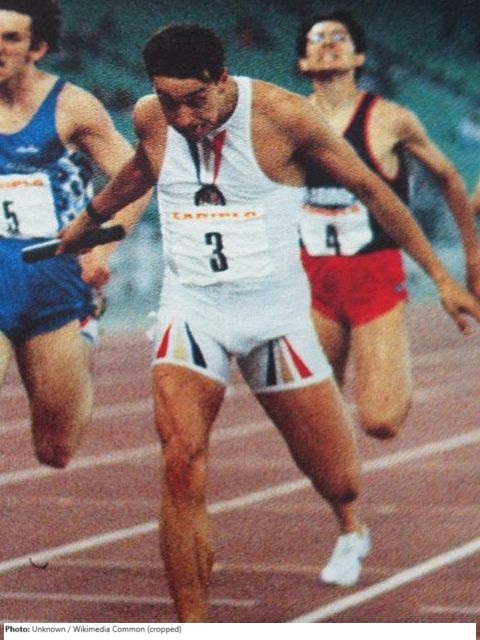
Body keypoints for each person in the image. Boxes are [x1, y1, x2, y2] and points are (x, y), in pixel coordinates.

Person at [58, 24, 480, 621]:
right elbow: (140, 170)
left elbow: (371, 189)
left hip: (275, 318)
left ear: (221, 79)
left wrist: (441, 276)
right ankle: (193, 625)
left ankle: (350, 523)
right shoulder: (153, 116)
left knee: (339, 478)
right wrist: (89, 221)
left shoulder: (284, 118)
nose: (182, 118)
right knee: (180, 462)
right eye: (169, 101)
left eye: (194, 101)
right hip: (192, 309)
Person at [295, 9, 480, 587]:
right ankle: (350, 528)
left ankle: (390, 367)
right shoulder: (288, 118)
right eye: (316, 39)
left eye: (339, 38)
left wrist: (470, 259)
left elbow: (449, 178)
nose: (328, 44)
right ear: (302, 60)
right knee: (314, 422)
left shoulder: (390, 119)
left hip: (376, 279)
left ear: (358, 56)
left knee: (379, 421)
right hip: (310, 283)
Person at [0, 0, 149, 469]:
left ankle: (85, 329)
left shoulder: (72, 106)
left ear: (37, 48)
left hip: (54, 274)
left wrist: (102, 250)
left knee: (56, 449)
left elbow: (138, 177)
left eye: (10, 38)